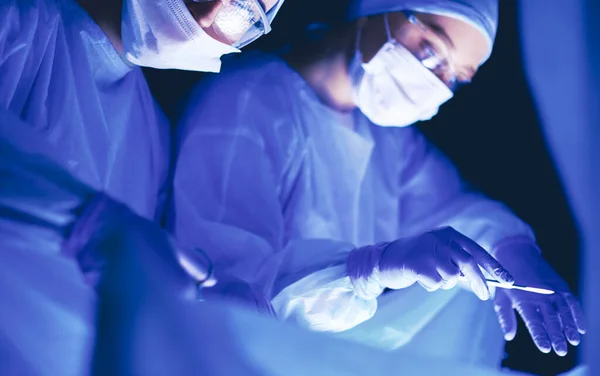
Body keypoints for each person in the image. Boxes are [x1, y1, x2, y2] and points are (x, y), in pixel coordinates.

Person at [169, 0, 585, 366]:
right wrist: (371, 268)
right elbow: (230, 295)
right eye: (430, 51)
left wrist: (513, 247)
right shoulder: (246, 106)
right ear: (378, 8)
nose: (440, 86)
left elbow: (455, 211)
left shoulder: (386, 137)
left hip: (320, 356)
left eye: (457, 78)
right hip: (243, 359)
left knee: (473, 280)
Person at [0, 0, 283, 374]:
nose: (208, 14)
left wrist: (196, 299)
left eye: (242, 10)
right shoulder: (18, 26)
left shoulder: (154, 136)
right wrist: (87, 224)